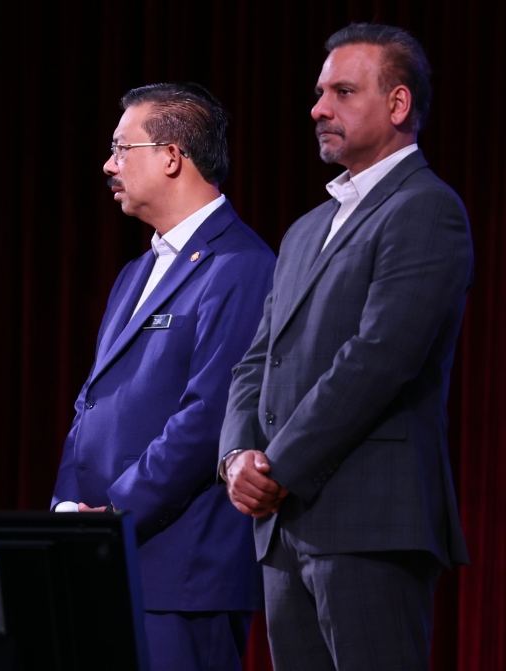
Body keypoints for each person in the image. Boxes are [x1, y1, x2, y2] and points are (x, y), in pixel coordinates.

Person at [219, 24, 471, 671]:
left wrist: (275, 466)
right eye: (318, 92)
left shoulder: (425, 207)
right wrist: (236, 456)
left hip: (370, 523)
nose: (318, 108)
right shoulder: (306, 229)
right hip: (285, 530)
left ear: (397, 104)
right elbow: (257, 359)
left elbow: (379, 357)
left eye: (342, 91)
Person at [51, 83, 275, 671]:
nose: (109, 164)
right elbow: (92, 402)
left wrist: (118, 510)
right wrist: (69, 504)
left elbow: (209, 417)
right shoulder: (135, 271)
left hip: (181, 571)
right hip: (106, 552)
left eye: (123, 148)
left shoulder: (242, 266)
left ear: (172, 156)